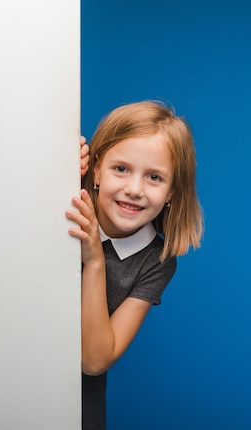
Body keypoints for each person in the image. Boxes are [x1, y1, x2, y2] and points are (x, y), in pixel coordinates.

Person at [67, 100, 204, 429]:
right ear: (97, 169)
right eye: (121, 169)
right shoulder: (61, 203)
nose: (134, 189)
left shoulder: (157, 261)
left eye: (154, 177)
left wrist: (95, 260)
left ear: (172, 192)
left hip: (75, 408)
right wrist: (49, 164)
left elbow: (95, 360)